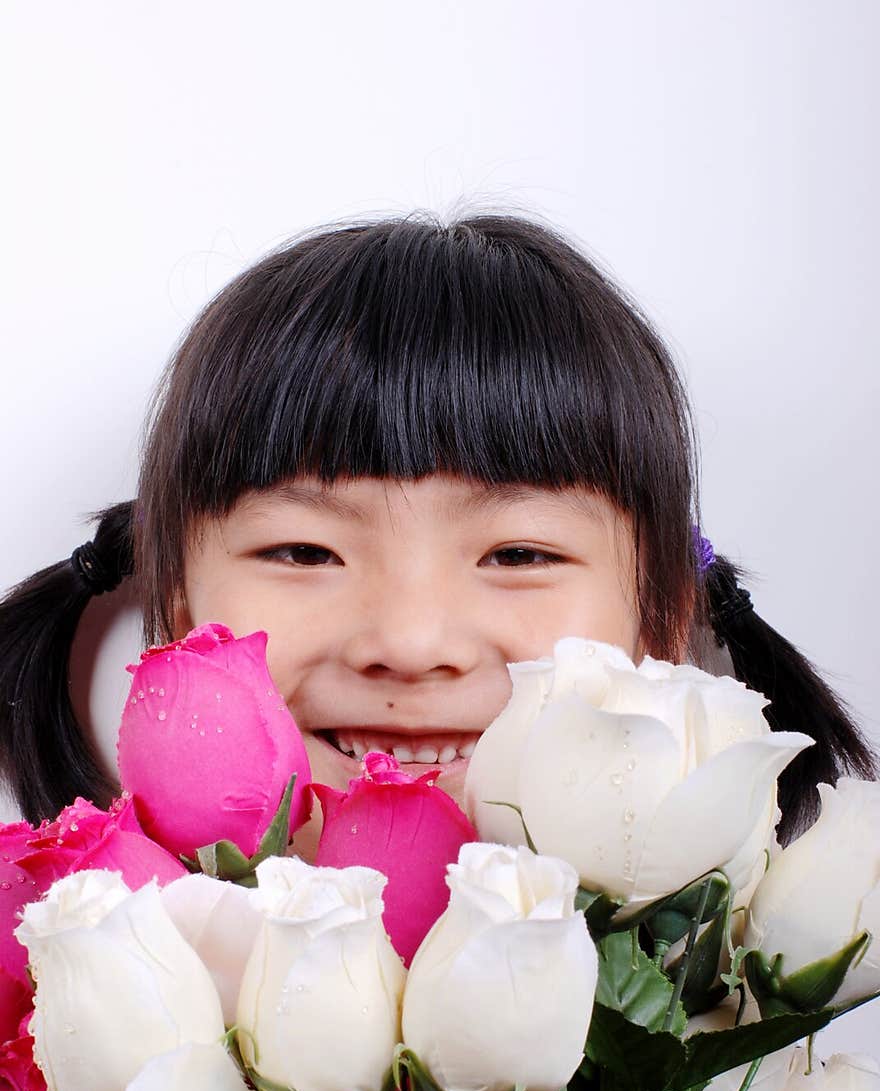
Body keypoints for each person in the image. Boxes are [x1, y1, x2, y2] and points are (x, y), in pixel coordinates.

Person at [0, 212, 875, 858]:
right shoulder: (79, 1002)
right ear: (178, 609)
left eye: (519, 554)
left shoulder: (755, 1051)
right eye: (304, 551)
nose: (411, 645)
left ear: (661, 618)